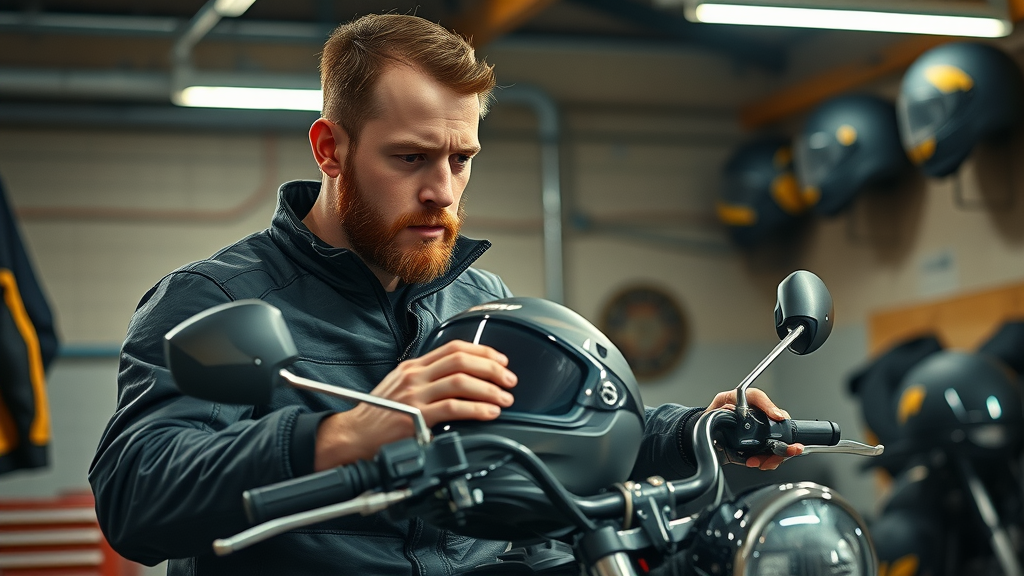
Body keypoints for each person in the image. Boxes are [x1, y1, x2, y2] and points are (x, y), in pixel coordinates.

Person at [88, 13, 800, 575]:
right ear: (331, 149)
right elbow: (135, 495)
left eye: (462, 159)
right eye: (410, 157)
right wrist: (343, 435)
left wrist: (694, 431)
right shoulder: (214, 299)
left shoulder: (478, 296)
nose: (442, 191)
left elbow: (562, 428)